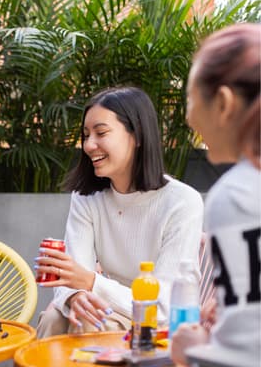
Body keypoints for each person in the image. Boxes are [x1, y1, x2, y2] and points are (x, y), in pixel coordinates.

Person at [36, 86, 204, 337]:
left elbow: (164, 307)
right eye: (86, 135)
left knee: (90, 324)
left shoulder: (182, 202)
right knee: (54, 317)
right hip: (106, 306)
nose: (88, 145)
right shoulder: (86, 197)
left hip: (156, 322)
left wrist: (91, 284)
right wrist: (76, 295)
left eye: (101, 133)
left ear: (137, 136)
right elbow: (74, 277)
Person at [170, 23, 260, 367]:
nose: (190, 118)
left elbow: (245, 355)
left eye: (191, 100)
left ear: (223, 103)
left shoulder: (236, 194)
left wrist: (196, 349)